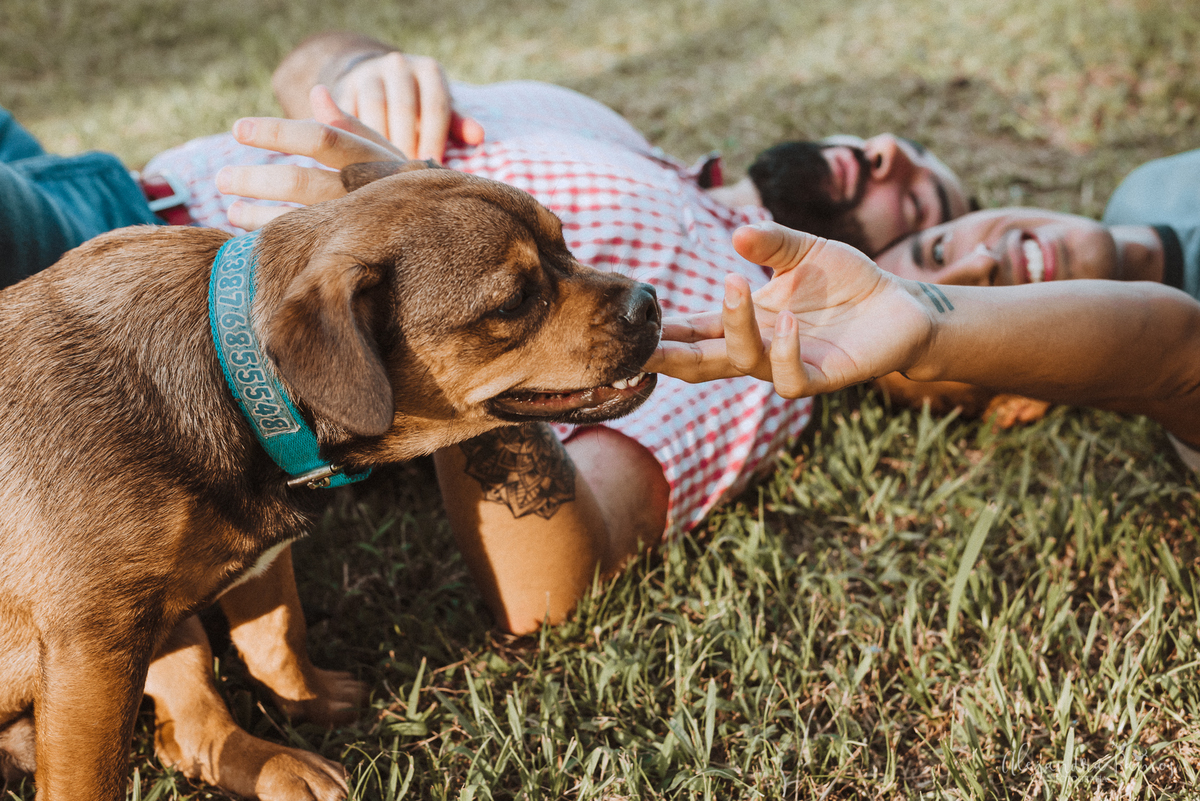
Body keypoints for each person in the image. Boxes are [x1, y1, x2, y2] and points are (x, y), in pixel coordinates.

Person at [139, 30, 968, 635]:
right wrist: (363, 67)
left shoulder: (755, 348)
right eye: (911, 147)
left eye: (927, 214)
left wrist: (475, 347)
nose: (891, 150)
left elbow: (550, 589)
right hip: (125, 208)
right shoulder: (602, 124)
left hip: (159, 372)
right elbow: (301, 64)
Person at [643, 219, 1200, 467]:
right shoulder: (1178, 379)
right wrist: (930, 328)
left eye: (936, 253)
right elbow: (1177, 354)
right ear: (1023, 400)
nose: (982, 263)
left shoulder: (1146, 190)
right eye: (970, 309)